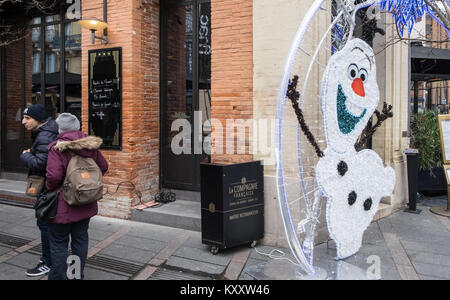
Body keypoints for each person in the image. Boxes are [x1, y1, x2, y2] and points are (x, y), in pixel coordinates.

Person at [46, 113, 108, 280]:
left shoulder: (57, 147)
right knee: (80, 240)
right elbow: (103, 167)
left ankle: (59, 277)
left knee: (59, 243)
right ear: (77, 127)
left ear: (59, 129)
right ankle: (75, 276)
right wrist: (86, 184)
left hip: (64, 203)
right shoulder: (91, 146)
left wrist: (52, 188)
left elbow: (53, 177)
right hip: (86, 202)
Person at [20, 104, 59, 277]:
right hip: (51, 189)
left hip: (47, 189)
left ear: (38, 120)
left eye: (28, 118)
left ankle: (48, 262)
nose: (23, 122)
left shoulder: (45, 136)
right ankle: (54, 258)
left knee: (44, 224)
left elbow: (41, 164)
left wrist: (26, 155)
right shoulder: (48, 132)